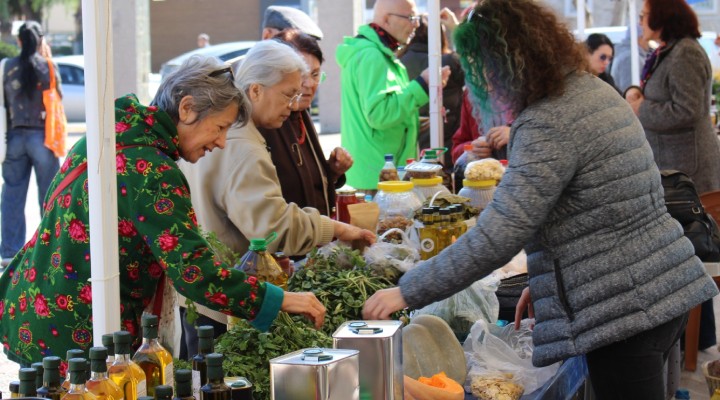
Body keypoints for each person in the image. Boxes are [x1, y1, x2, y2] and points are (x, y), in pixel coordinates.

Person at [363, 1, 718, 398]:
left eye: (482, 71)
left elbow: (499, 233)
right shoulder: (592, 90)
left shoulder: (547, 121)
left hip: (623, 312)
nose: (483, 85)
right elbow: (604, 206)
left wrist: (407, 290)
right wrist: (547, 278)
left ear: (504, 64)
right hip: (659, 288)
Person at [0, 55, 328, 365]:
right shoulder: (151, 170)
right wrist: (281, 299)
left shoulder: (107, 134)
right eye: (220, 127)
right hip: (80, 338)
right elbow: (194, 274)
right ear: (187, 109)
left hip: (33, 309)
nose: (221, 143)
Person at [179, 40, 375, 355]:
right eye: (287, 94)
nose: (294, 103)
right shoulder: (242, 143)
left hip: (205, 292)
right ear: (255, 90)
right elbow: (270, 229)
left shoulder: (230, 131)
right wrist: (334, 229)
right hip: (224, 300)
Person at [336, 0, 450, 192]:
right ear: (387, 19)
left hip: (375, 174)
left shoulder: (376, 53)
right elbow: (380, 114)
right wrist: (422, 84)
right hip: (377, 179)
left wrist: (411, 122)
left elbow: (378, 112)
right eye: (411, 18)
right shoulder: (372, 56)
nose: (416, 24)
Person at [625, 0, 720, 195]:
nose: (640, 21)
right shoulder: (669, 50)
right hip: (675, 163)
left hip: (688, 168)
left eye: (644, 15)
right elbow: (662, 89)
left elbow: (687, 109)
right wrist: (636, 91)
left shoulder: (685, 52)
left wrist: (641, 108)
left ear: (662, 16)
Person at [258, 29, 351, 218]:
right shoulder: (267, 121)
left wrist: (332, 171)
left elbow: (306, 182)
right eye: (301, 74)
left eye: (315, 74)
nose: (309, 84)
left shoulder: (301, 114)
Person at [1, 21, 61, 268]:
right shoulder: (47, 66)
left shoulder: (6, 67)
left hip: (14, 138)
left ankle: (9, 252)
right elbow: (57, 101)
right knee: (50, 196)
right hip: (42, 138)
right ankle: (49, 250)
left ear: (19, 42)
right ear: (39, 41)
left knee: (12, 194)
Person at [400, 13, 465, 168]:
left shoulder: (398, 64)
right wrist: (455, 28)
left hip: (412, 148)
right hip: (448, 146)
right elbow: (474, 64)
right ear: (440, 36)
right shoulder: (449, 62)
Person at [610, 25, 649, 93]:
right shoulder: (630, 58)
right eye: (647, 40)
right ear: (640, 38)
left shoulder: (627, 54)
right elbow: (628, 90)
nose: (648, 43)